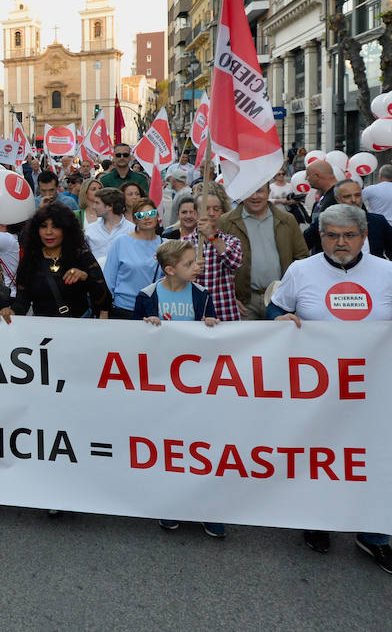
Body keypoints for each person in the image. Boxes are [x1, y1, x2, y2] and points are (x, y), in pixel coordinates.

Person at [267, 203, 392, 576]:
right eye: (332, 235)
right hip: (316, 393)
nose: (341, 243)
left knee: (375, 461)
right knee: (320, 458)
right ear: (320, 237)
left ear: (363, 236)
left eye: (349, 235)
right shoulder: (301, 271)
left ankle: (374, 536)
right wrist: (281, 318)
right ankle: (318, 521)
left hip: (373, 393)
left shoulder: (387, 272)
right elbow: (274, 309)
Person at [132, 239, 224, 537]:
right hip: (161, 384)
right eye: (189, 263)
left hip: (195, 384)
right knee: (168, 445)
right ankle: (170, 504)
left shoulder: (202, 294)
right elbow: (132, 339)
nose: (197, 266)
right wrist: (144, 326)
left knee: (200, 444)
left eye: (195, 261)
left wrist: (211, 324)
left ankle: (206, 507)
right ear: (170, 269)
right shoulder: (147, 295)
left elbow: (211, 335)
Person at [0, 202, 112, 319]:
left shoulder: (81, 255)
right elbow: (22, 301)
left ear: (66, 229)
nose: (48, 232)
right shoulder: (31, 258)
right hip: (41, 327)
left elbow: (104, 300)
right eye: (43, 226)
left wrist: (85, 277)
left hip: (79, 325)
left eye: (55, 226)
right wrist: (11, 311)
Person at [220, 183, 310, 320]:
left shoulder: (287, 220)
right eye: (250, 191)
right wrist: (228, 296)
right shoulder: (226, 222)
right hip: (244, 302)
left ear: (268, 192)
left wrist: (294, 293)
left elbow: (302, 258)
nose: (255, 196)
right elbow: (218, 264)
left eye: (260, 191)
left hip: (280, 300)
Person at [102, 199, 165, 318]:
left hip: (154, 310)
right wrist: (104, 310)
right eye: (141, 215)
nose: (147, 217)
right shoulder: (120, 242)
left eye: (151, 213)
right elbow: (108, 280)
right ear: (135, 220)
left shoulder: (166, 245)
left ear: (157, 216)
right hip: (123, 309)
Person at [187, 188, 243, 323]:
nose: (211, 213)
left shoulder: (232, 241)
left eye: (216, 209)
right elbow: (172, 279)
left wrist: (212, 236)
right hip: (194, 315)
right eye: (206, 209)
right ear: (195, 213)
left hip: (224, 313)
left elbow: (235, 263)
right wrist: (190, 270)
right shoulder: (184, 244)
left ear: (221, 213)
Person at [331, 180, 392, 267]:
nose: (354, 200)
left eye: (357, 195)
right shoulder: (326, 223)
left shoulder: (377, 221)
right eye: (347, 196)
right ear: (337, 199)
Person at [84, 188, 133, 265]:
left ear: (109, 206)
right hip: (97, 271)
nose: (94, 207)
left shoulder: (132, 229)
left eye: (97, 203)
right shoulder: (90, 229)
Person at [304, 160, 340, 251]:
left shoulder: (339, 196)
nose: (306, 179)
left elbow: (316, 230)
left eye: (308, 175)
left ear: (317, 176)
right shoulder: (327, 196)